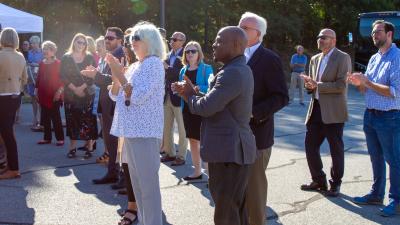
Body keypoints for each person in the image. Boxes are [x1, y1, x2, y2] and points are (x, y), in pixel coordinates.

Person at [174, 26, 257, 225]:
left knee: (226, 214)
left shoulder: (232, 73)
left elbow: (206, 107)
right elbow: (218, 104)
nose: (213, 44)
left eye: (219, 41)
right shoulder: (234, 69)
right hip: (231, 151)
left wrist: (188, 94)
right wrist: (193, 92)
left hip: (230, 153)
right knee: (235, 210)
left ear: (236, 45)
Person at [107, 21, 166, 225]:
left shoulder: (154, 63)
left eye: (137, 38)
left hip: (145, 133)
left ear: (150, 41)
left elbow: (137, 96)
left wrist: (120, 75)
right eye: (131, 38)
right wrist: (117, 77)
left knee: (148, 188)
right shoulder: (135, 66)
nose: (132, 42)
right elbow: (116, 96)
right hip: (131, 132)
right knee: (138, 187)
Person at [238, 12, 289, 225]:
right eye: (238, 26)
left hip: (257, 135)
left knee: (255, 196)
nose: (239, 30)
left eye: (244, 28)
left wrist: (253, 112)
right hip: (234, 135)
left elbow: (281, 96)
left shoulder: (269, 59)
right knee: (238, 193)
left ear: (257, 34)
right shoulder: (234, 55)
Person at [348, 20, 400, 217]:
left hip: (390, 117)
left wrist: (367, 82)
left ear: (389, 35)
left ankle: (397, 200)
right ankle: (376, 194)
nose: (374, 34)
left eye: (378, 31)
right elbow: (365, 89)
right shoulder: (374, 58)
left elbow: (395, 92)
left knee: (394, 160)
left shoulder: (397, 57)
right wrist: (358, 82)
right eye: (372, 32)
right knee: (375, 157)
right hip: (370, 115)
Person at [300, 28, 351, 197]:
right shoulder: (314, 59)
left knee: (336, 148)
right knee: (310, 146)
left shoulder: (342, 57)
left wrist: (317, 85)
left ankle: (335, 184)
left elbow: (341, 85)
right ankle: (318, 180)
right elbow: (313, 86)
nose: (320, 39)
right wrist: (309, 86)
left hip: (334, 111)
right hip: (315, 108)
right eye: (318, 37)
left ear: (333, 40)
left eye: (324, 37)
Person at [81, 27, 125, 184]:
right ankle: (112, 172)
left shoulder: (122, 55)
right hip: (105, 104)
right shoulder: (108, 56)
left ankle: (122, 176)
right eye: (106, 37)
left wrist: (97, 75)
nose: (107, 40)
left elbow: (119, 79)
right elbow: (106, 79)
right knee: (110, 141)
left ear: (120, 40)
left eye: (111, 38)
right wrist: (93, 74)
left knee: (117, 142)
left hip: (115, 104)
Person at [178, 41, 213, 180]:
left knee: (205, 142)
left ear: (199, 53)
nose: (190, 54)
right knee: (193, 140)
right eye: (187, 51)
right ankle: (197, 171)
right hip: (187, 109)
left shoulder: (206, 68)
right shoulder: (183, 70)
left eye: (193, 51)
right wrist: (178, 87)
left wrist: (198, 88)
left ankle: (212, 175)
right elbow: (183, 89)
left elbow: (212, 86)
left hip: (201, 108)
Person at [60, 33, 98, 159]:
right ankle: (72, 148)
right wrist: (74, 89)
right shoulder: (66, 57)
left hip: (86, 93)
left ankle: (89, 147)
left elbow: (92, 75)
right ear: (73, 42)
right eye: (78, 42)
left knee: (88, 120)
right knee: (72, 120)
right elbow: (62, 75)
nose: (81, 45)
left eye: (83, 43)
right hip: (71, 94)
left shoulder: (89, 57)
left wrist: (81, 88)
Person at [0, 27, 28, 179]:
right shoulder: (21, 56)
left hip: (2, 96)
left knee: (7, 134)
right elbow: (25, 79)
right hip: (15, 97)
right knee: (8, 132)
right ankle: (10, 165)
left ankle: (13, 168)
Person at [160, 31, 188, 166]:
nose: (171, 41)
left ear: (182, 42)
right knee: (167, 127)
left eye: (175, 39)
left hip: (179, 96)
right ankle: (169, 153)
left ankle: (181, 156)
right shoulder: (168, 55)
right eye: (171, 39)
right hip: (167, 96)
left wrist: (167, 68)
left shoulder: (186, 55)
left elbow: (181, 75)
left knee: (182, 128)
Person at [35, 41, 65, 146]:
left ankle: (60, 138)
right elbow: (38, 78)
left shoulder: (58, 63)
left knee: (56, 117)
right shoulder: (41, 63)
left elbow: (63, 80)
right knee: (45, 117)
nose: (46, 51)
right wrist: (36, 90)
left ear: (53, 51)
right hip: (43, 93)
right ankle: (47, 138)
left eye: (48, 49)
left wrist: (59, 92)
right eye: (44, 48)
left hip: (55, 94)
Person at [27, 35, 43, 131]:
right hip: (30, 78)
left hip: (39, 78)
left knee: (39, 98)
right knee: (33, 97)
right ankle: (35, 117)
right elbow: (28, 63)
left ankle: (41, 118)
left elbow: (44, 63)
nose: (33, 45)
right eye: (32, 43)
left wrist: (35, 64)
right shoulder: (29, 53)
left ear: (38, 43)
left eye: (35, 43)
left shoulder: (42, 52)